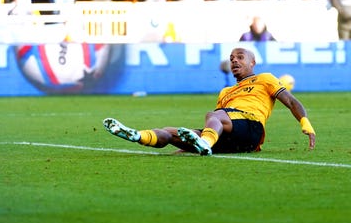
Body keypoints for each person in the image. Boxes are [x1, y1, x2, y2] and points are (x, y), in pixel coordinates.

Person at [103, 48, 316, 155]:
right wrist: (187, 147)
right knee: (169, 132)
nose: (234, 60)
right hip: (233, 138)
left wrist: (305, 122)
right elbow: (221, 124)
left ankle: (203, 143)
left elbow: (291, 101)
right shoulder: (226, 91)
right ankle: (136, 135)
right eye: (232, 58)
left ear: (253, 62)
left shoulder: (265, 79)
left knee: (213, 116)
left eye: (240, 57)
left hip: (252, 128)